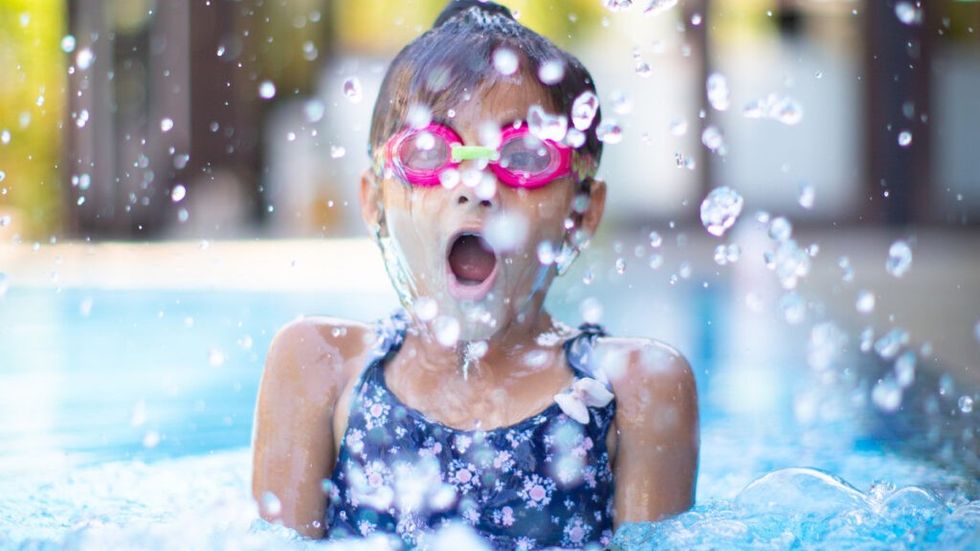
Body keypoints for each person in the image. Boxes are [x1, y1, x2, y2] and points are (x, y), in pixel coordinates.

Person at [251, 1, 699, 548]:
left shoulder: (634, 387)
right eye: (428, 151)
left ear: (581, 212)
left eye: (527, 157)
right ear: (374, 202)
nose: (475, 186)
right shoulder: (321, 366)